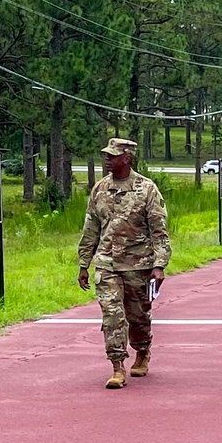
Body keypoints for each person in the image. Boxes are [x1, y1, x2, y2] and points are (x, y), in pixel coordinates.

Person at [78, 137, 171, 389]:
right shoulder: (99, 189)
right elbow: (91, 228)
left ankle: (142, 349)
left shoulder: (147, 189)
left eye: (112, 156)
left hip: (138, 265)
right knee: (112, 315)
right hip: (107, 264)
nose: (107, 159)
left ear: (126, 158)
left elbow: (159, 231)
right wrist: (84, 263)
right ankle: (117, 365)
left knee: (138, 316)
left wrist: (159, 265)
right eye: (105, 155)